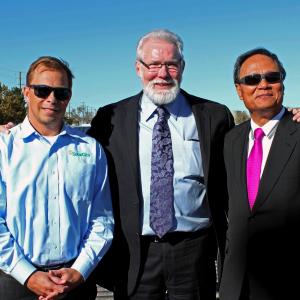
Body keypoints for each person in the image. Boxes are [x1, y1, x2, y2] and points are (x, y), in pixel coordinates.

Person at [88, 29, 234, 300]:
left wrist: (286, 122)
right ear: (138, 68)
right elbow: (78, 155)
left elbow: (243, 158)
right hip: (135, 253)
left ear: (182, 66)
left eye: (171, 65)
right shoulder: (111, 118)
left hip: (194, 250)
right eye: (154, 65)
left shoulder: (214, 116)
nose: (163, 74)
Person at [0, 56, 114, 300]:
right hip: (14, 281)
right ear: (26, 92)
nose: (52, 99)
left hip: (74, 283)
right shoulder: (4, 147)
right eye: (43, 90)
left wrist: (80, 269)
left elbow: (102, 218)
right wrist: (28, 275)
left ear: (69, 97)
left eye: (61, 93)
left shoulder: (91, 150)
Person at [219, 48, 300, 300]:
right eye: (252, 80)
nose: (263, 85)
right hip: (237, 282)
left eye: (272, 77)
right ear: (239, 90)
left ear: (282, 84)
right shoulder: (231, 140)